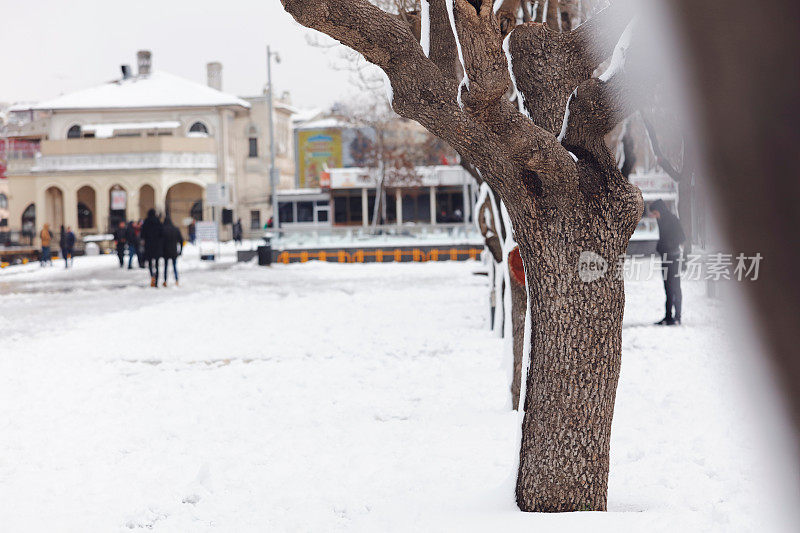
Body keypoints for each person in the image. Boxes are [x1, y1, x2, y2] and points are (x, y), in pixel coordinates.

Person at [649, 199, 686, 326]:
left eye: (654, 213)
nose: (654, 216)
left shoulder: (672, 219)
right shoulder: (661, 220)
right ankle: (668, 317)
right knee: (667, 287)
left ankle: (677, 317)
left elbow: (682, 237)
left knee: (675, 287)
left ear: (659, 210)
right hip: (665, 257)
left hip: (673, 257)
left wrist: (667, 246)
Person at [140, 209, 163, 287]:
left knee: (150, 263)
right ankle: (156, 279)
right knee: (157, 264)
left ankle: (152, 277)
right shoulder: (158, 222)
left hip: (149, 246)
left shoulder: (146, 222)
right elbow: (162, 234)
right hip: (157, 246)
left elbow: (142, 234)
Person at [161, 216, 184, 287]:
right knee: (174, 266)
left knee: (165, 267)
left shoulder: (163, 230)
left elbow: (160, 241)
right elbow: (181, 240)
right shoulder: (175, 229)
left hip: (165, 251)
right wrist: (180, 250)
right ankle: (176, 280)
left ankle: (165, 281)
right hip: (174, 250)